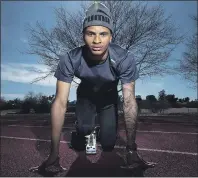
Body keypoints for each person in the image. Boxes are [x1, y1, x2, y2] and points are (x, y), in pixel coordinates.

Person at [30, 2, 156, 173]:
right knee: (84, 130)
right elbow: (60, 102)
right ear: (83, 35)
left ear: (111, 36)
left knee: (109, 144)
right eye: (91, 33)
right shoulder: (70, 58)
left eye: (103, 34)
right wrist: (53, 154)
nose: (97, 40)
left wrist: (132, 149)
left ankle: (100, 131)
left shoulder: (125, 59)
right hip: (85, 97)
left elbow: (129, 101)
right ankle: (83, 129)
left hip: (109, 99)